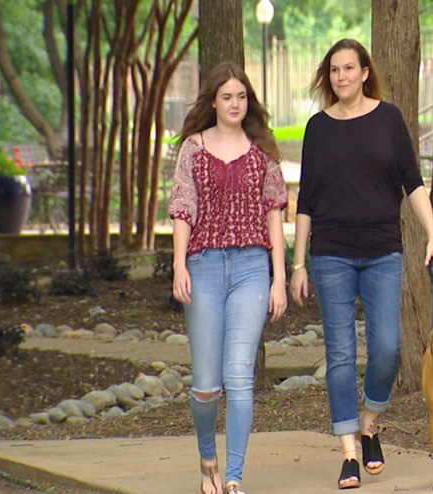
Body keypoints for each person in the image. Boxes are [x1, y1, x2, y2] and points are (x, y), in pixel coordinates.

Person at [289, 39, 433, 490]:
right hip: (331, 253)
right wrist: (299, 264)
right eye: (334, 70)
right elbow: (306, 201)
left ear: (364, 72)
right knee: (339, 356)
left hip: (382, 251)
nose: (341, 77)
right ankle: (349, 454)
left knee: (388, 348)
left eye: (349, 69)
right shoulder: (317, 128)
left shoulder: (389, 119)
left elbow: (413, 183)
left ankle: (369, 422)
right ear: (328, 76)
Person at [169, 61, 288, 494]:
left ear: (248, 101)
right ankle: (207, 458)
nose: (235, 104)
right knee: (206, 385)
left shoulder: (264, 152)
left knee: (239, 376)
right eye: (226, 97)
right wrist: (178, 264)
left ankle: (235, 476)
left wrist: (278, 277)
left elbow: (275, 215)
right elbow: (183, 208)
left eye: (241, 96)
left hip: (252, 268)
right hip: (202, 267)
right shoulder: (193, 149)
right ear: (213, 102)